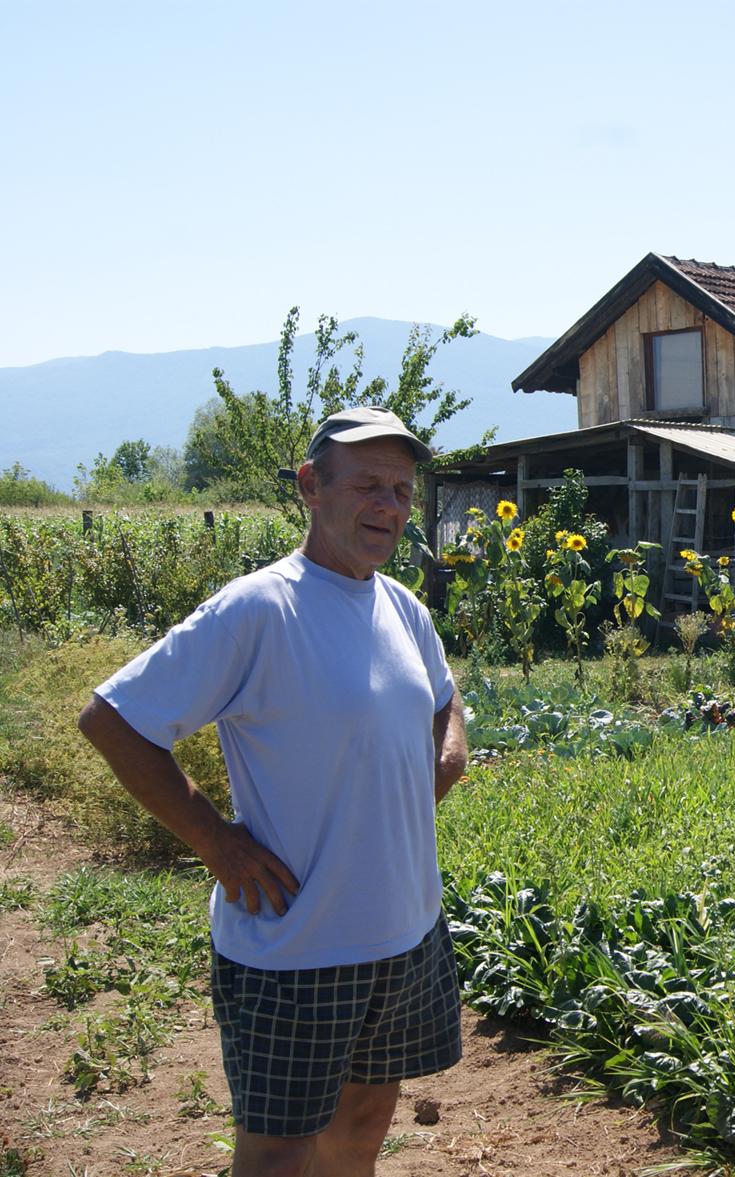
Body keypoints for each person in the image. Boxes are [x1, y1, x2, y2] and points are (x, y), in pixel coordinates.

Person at [78, 406, 468, 1177]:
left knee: (361, 1128)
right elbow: (114, 719)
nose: (388, 507)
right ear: (309, 487)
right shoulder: (260, 608)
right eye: (366, 485)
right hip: (294, 945)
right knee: (279, 1154)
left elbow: (443, 701)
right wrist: (216, 841)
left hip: (401, 931)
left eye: (399, 488)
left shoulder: (403, 608)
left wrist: (446, 756)